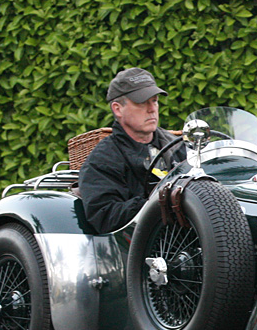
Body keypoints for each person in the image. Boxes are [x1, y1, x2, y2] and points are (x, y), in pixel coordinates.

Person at [78, 68, 187, 233]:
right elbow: (105, 216)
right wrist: (158, 203)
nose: (151, 109)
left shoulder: (179, 146)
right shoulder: (103, 159)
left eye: (155, 100)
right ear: (117, 109)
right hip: (143, 249)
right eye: (142, 103)